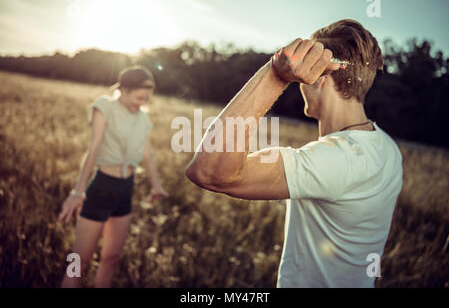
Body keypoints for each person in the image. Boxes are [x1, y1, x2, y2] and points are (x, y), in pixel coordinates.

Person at [185, 19, 403, 287]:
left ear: (319, 77)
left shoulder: (338, 159)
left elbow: (209, 172)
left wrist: (275, 73)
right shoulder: (388, 148)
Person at [59, 65, 168, 288]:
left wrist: (156, 186)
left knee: (110, 259)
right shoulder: (105, 107)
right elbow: (93, 148)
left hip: (125, 190)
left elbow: (148, 155)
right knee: (79, 261)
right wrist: (78, 192)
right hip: (101, 188)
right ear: (124, 90)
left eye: (146, 99)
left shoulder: (143, 119)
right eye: (138, 97)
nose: (141, 103)